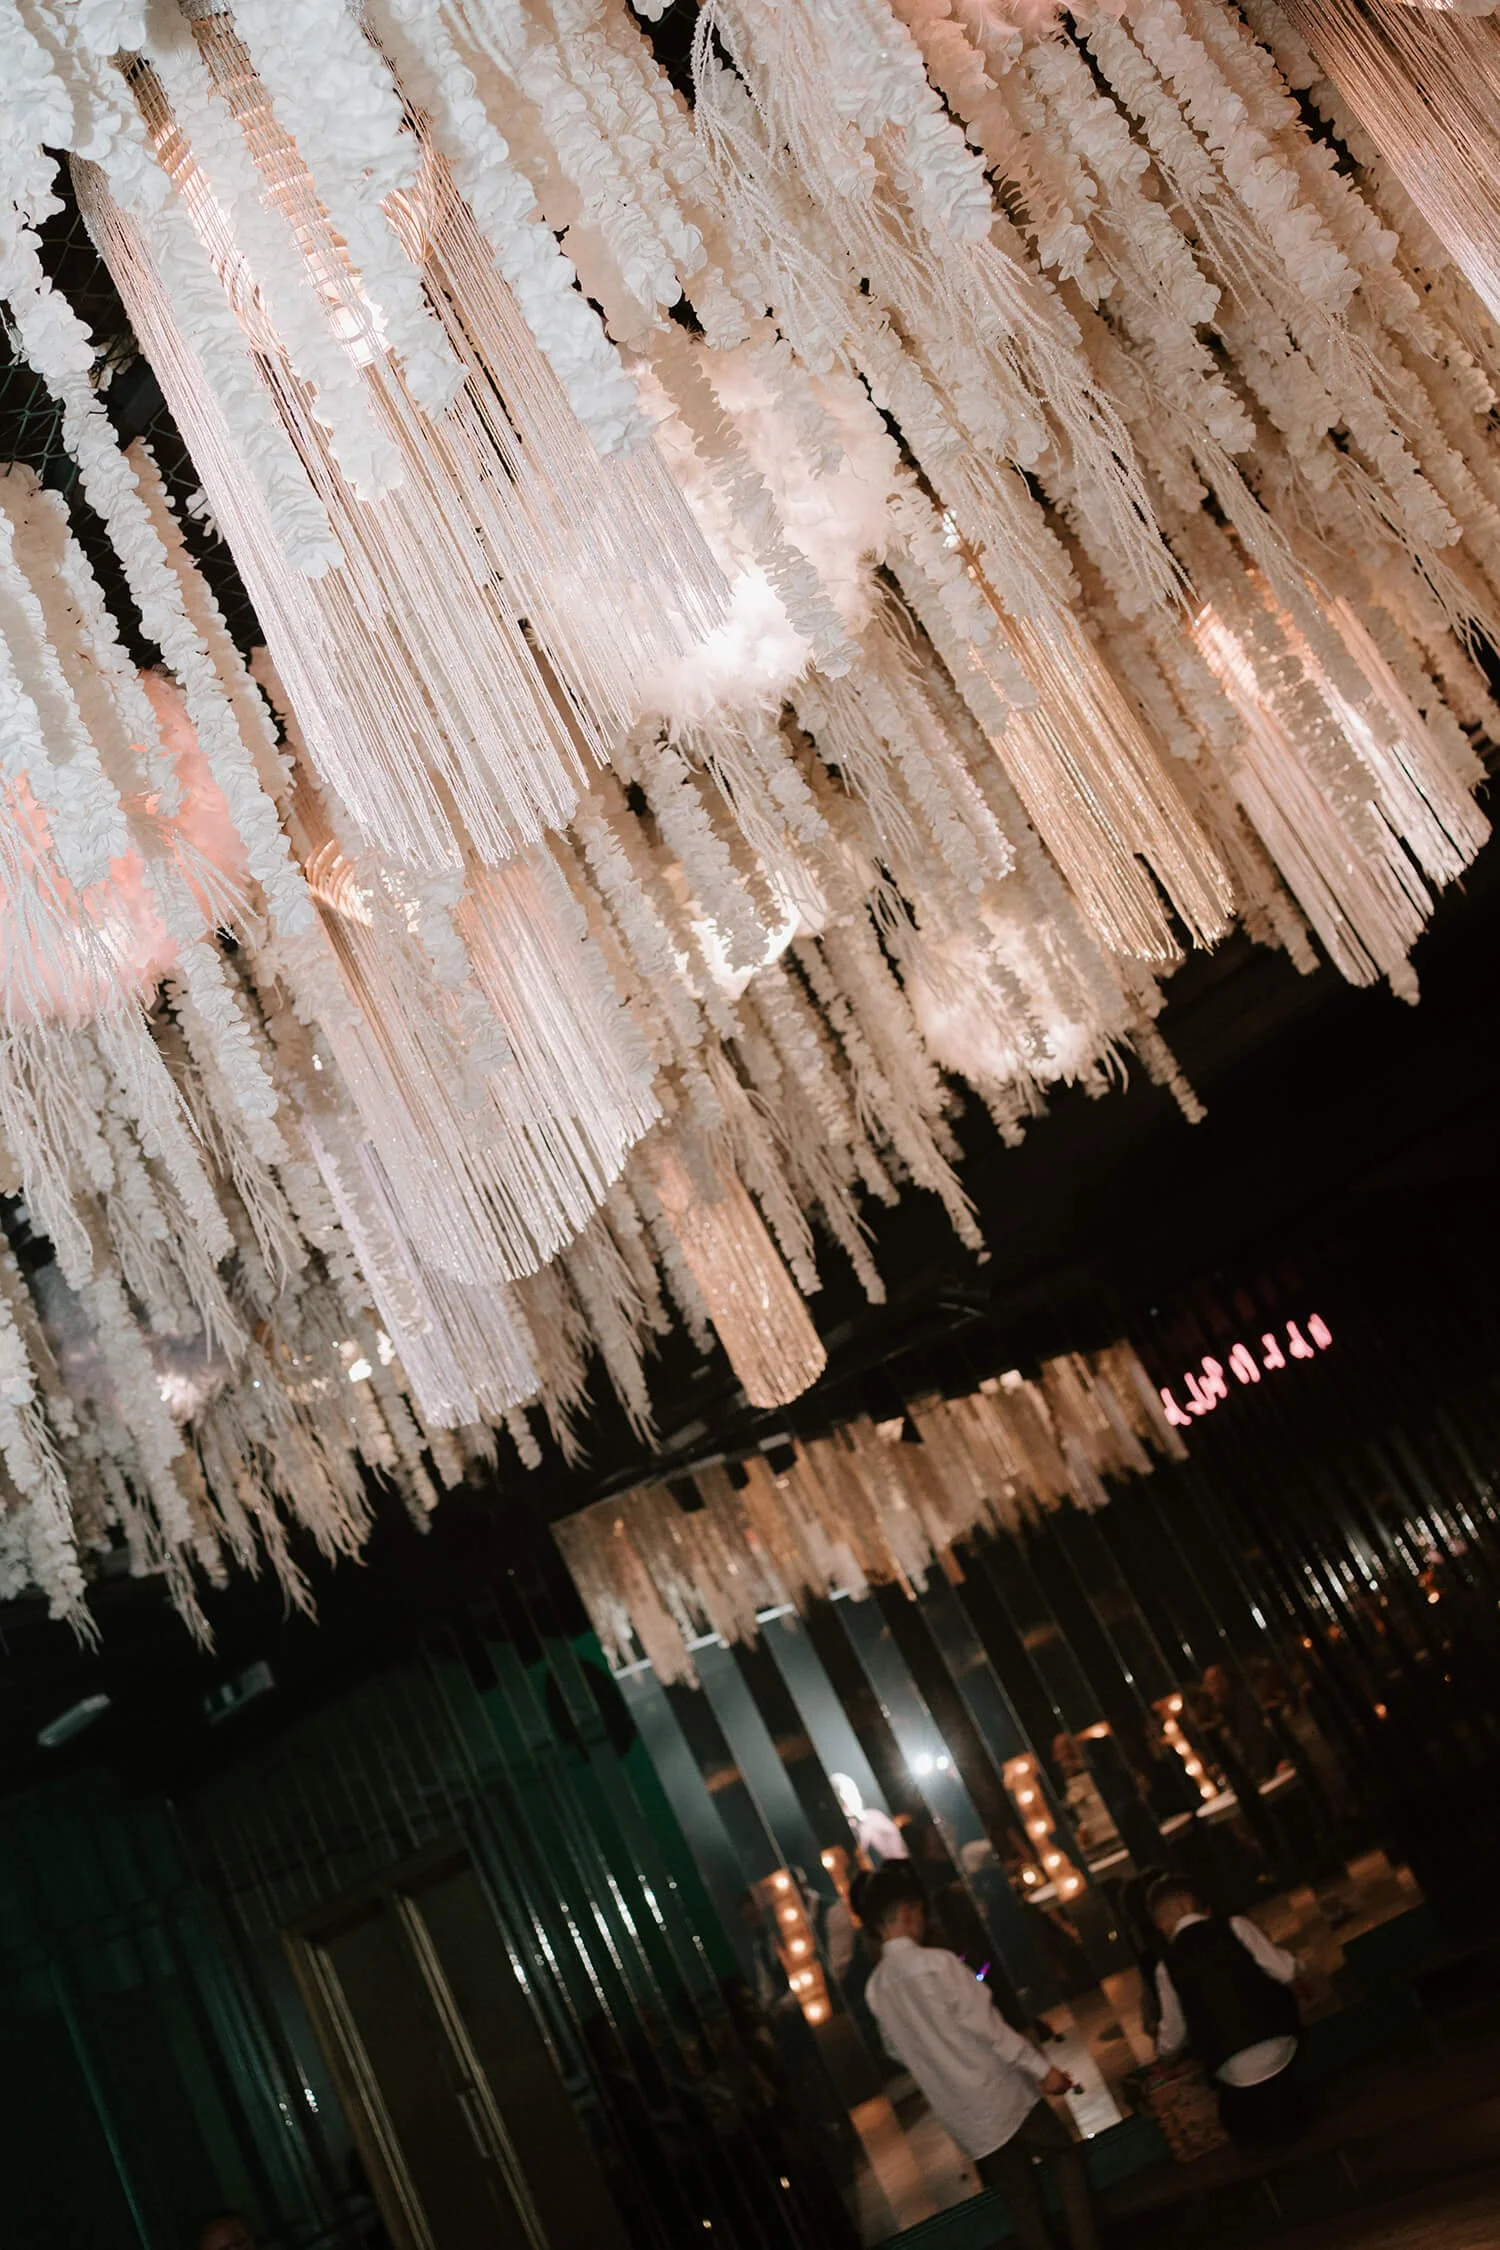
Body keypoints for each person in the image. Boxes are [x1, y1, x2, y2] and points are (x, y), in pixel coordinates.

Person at [862, 1863, 1101, 2250]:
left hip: (963, 2115)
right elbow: (990, 2028)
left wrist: (936, 2055)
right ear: (907, 1912)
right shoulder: (937, 1964)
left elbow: (894, 2049)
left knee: (1020, 2200)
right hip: (1001, 2094)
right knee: (1064, 2156)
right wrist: (1043, 2070)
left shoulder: (876, 1989)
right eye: (920, 1912)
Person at [1147, 1875, 1306, 2147]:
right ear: (1200, 1906)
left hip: (1229, 2067)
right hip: (1280, 2043)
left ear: (1161, 1925)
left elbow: (1174, 2033)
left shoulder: (1167, 1968)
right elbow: (1286, 1970)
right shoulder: (1236, 1927)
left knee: (1242, 2128)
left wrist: (1164, 2057)